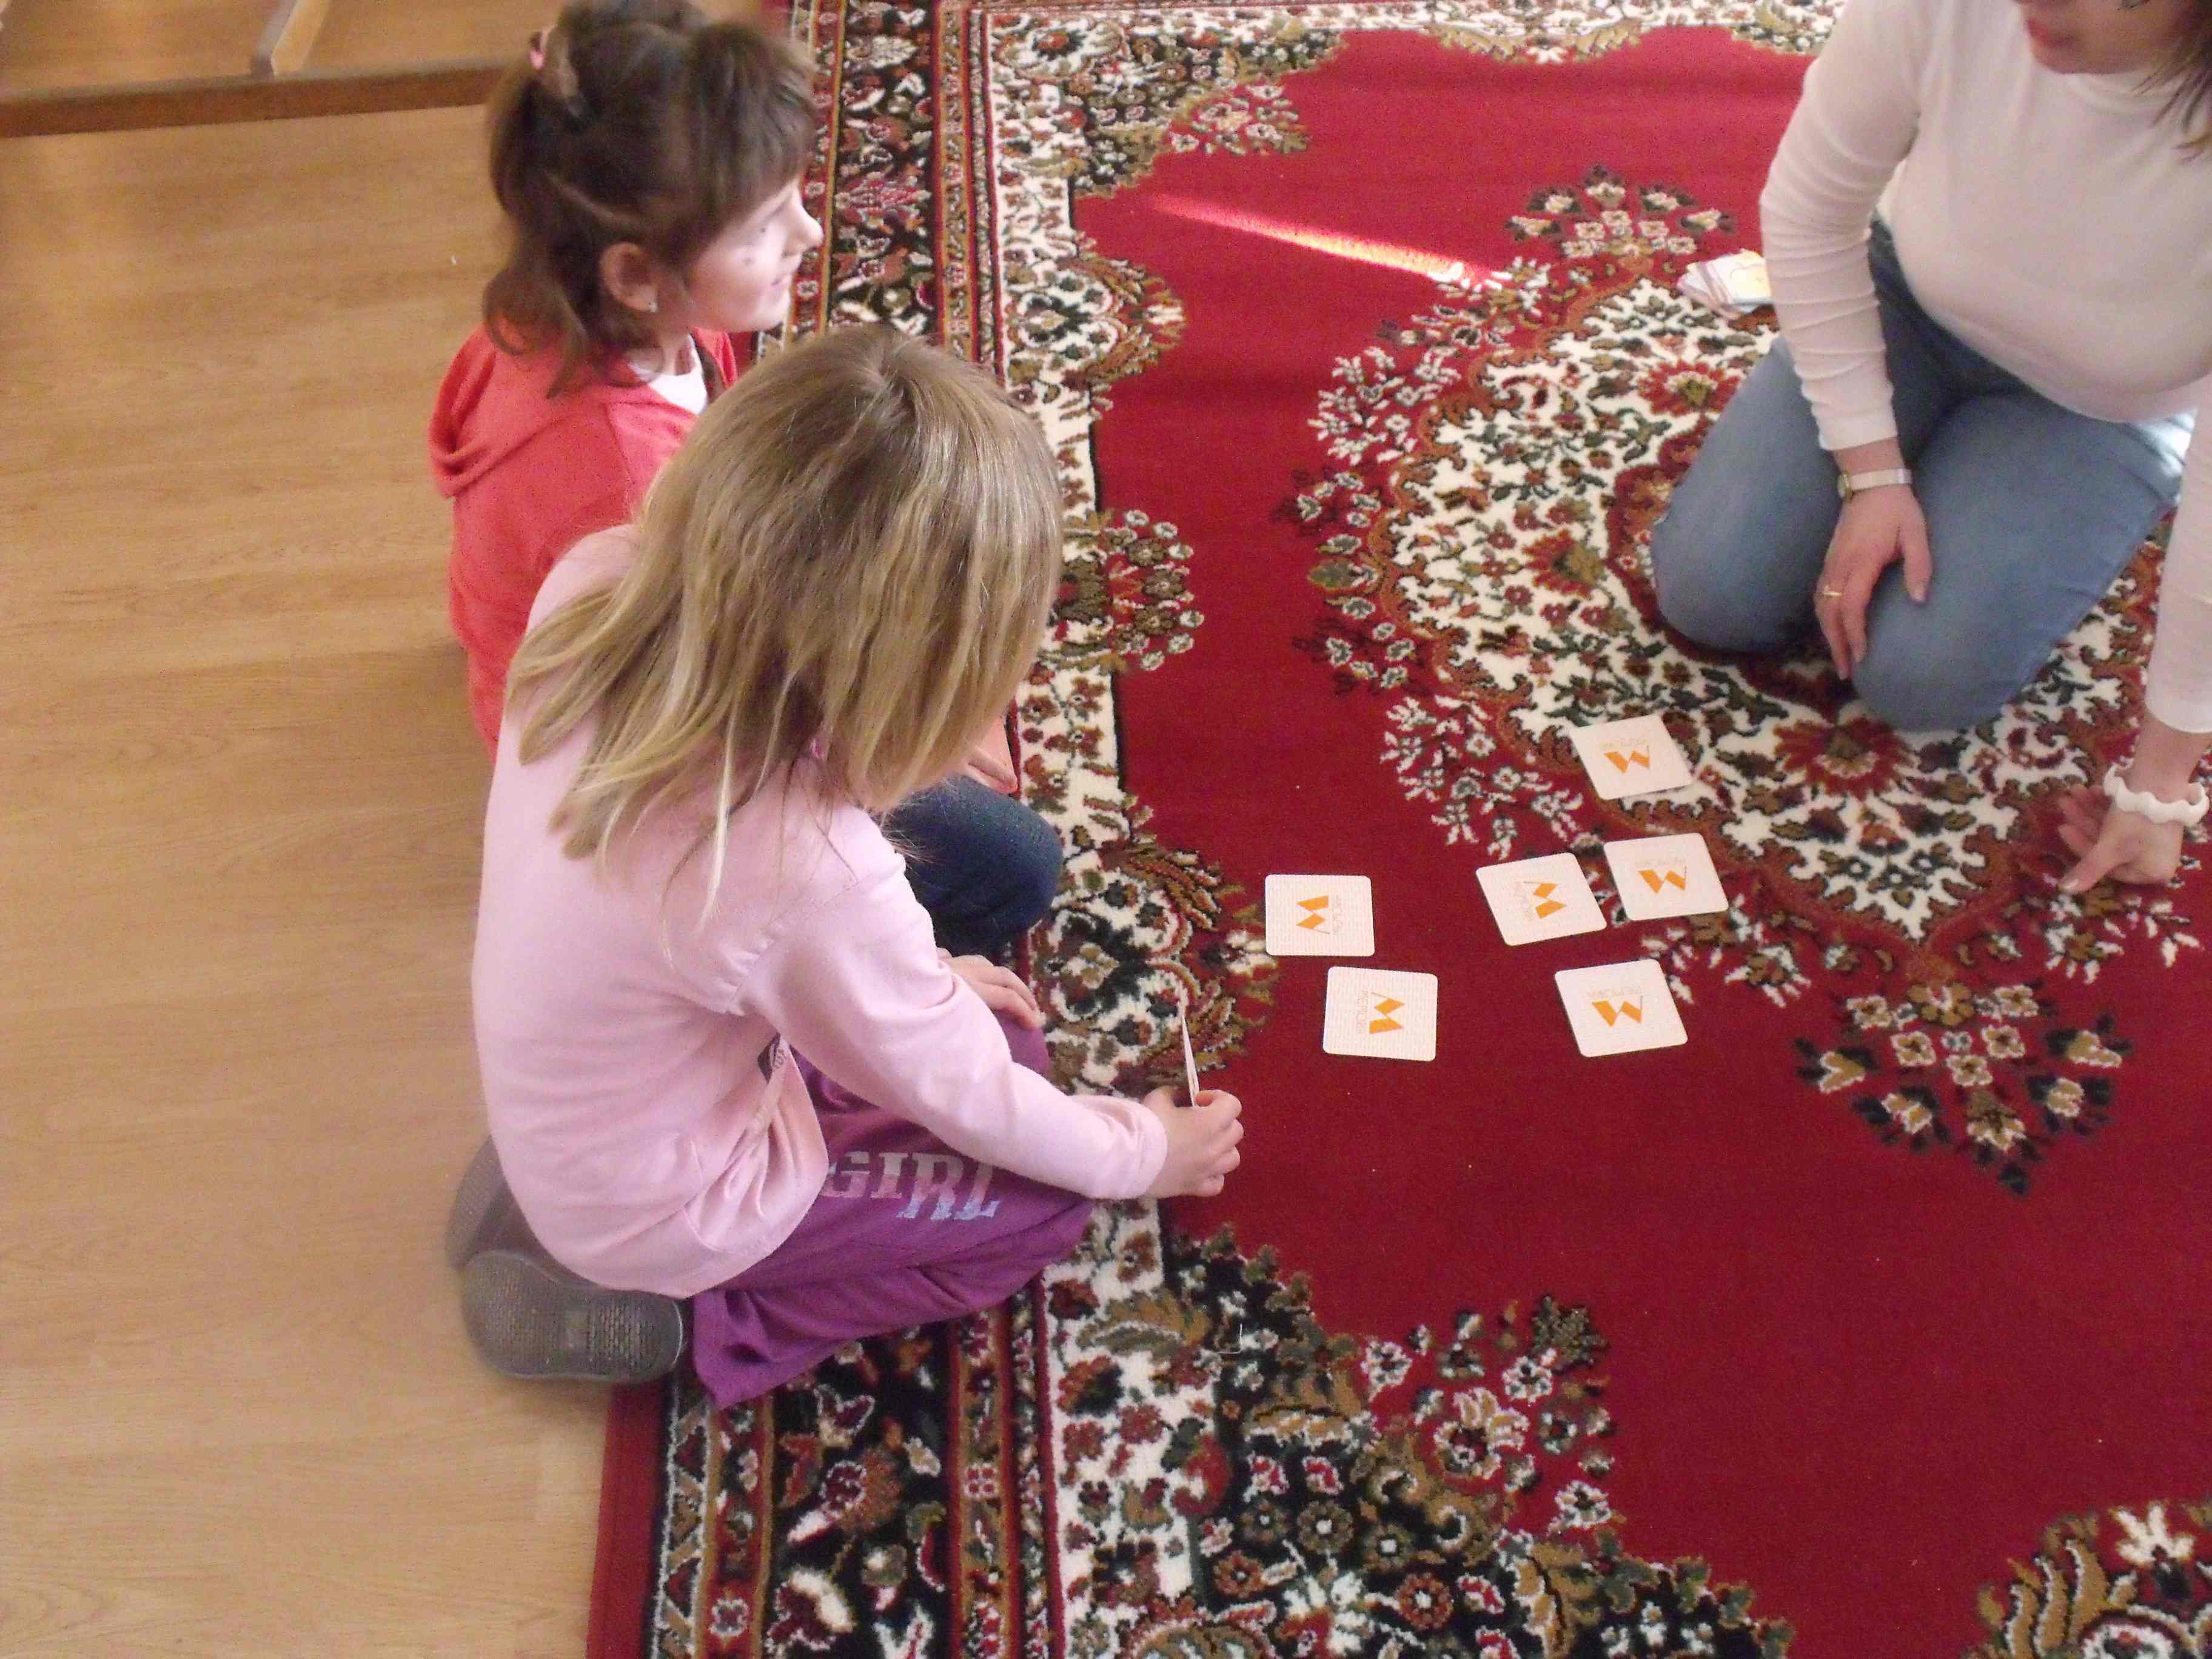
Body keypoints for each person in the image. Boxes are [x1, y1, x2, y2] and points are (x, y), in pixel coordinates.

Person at [458, 326, 1245, 1396]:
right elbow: (973, 1098)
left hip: (581, 1101)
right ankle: (685, 1325)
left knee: (997, 1029)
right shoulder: (801, 866)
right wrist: (1147, 1152)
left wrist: (915, 982)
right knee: (1044, 1203)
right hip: (660, 1209)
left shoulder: (599, 580)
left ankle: (549, 1207)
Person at [428, 0, 1059, 960]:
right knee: (1016, 868)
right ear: (636, 273)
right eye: (765, 225)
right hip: (636, 746)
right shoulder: (621, 480)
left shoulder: (574, 322)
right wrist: (893, 728)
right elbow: (709, 718)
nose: (810, 232)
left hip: (613, 637)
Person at [1649, 0, 2211, 893]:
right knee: (1710, 588)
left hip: (2104, 407)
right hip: (1908, 302)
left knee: (1923, 680)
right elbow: (1810, 214)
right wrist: (1871, 473)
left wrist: (2161, 788)